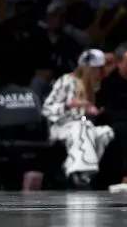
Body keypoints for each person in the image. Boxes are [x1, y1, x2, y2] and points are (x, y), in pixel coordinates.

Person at [41, 49, 115, 188]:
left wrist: (93, 111)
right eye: (98, 69)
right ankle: (81, 174)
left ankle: (78, 170)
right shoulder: (66, 81)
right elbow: (47, 109)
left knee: (106, 132)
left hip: (84, 127)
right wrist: (69, 106)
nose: (101, 72)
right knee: (82, 127)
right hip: (61, 128)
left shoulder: (96, 86)